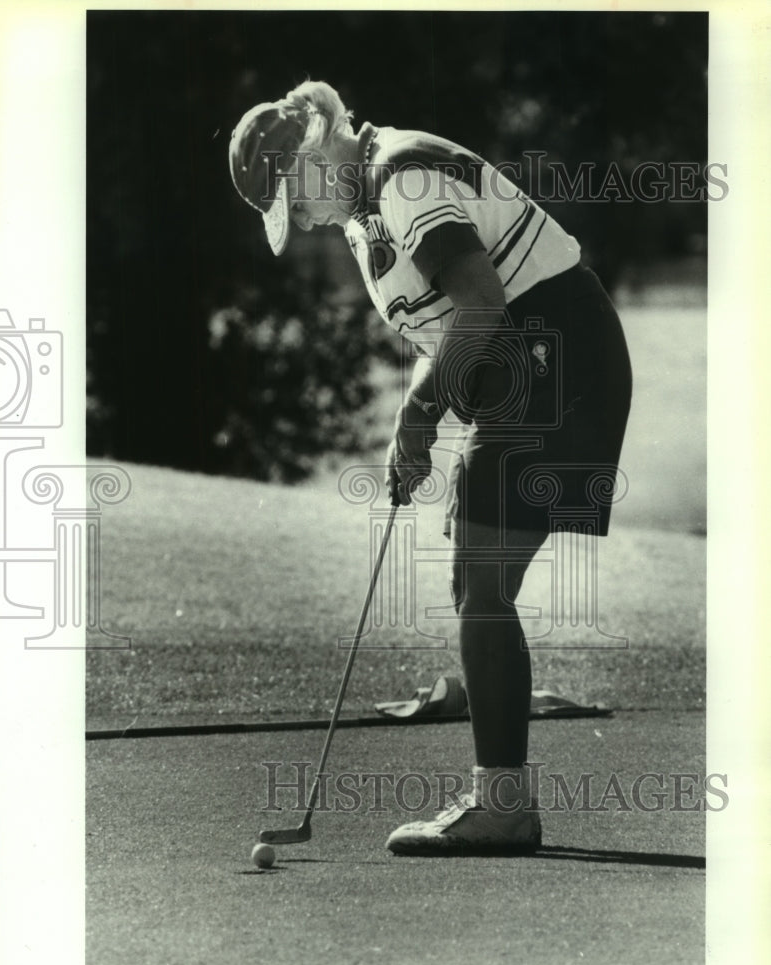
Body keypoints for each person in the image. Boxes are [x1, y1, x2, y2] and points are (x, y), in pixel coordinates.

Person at [229, 80, 632, 856]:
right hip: (531, 365)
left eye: (295, 197)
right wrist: (413, 421)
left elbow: (481, 305)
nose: (305, 219)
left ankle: (503, 808)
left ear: (315, 155)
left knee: (478, 584)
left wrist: (423, 415)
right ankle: (502, 798)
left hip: (557, 358)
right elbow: (448, 326)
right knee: (480, 587)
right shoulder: (364, 211)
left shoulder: (402, 177)